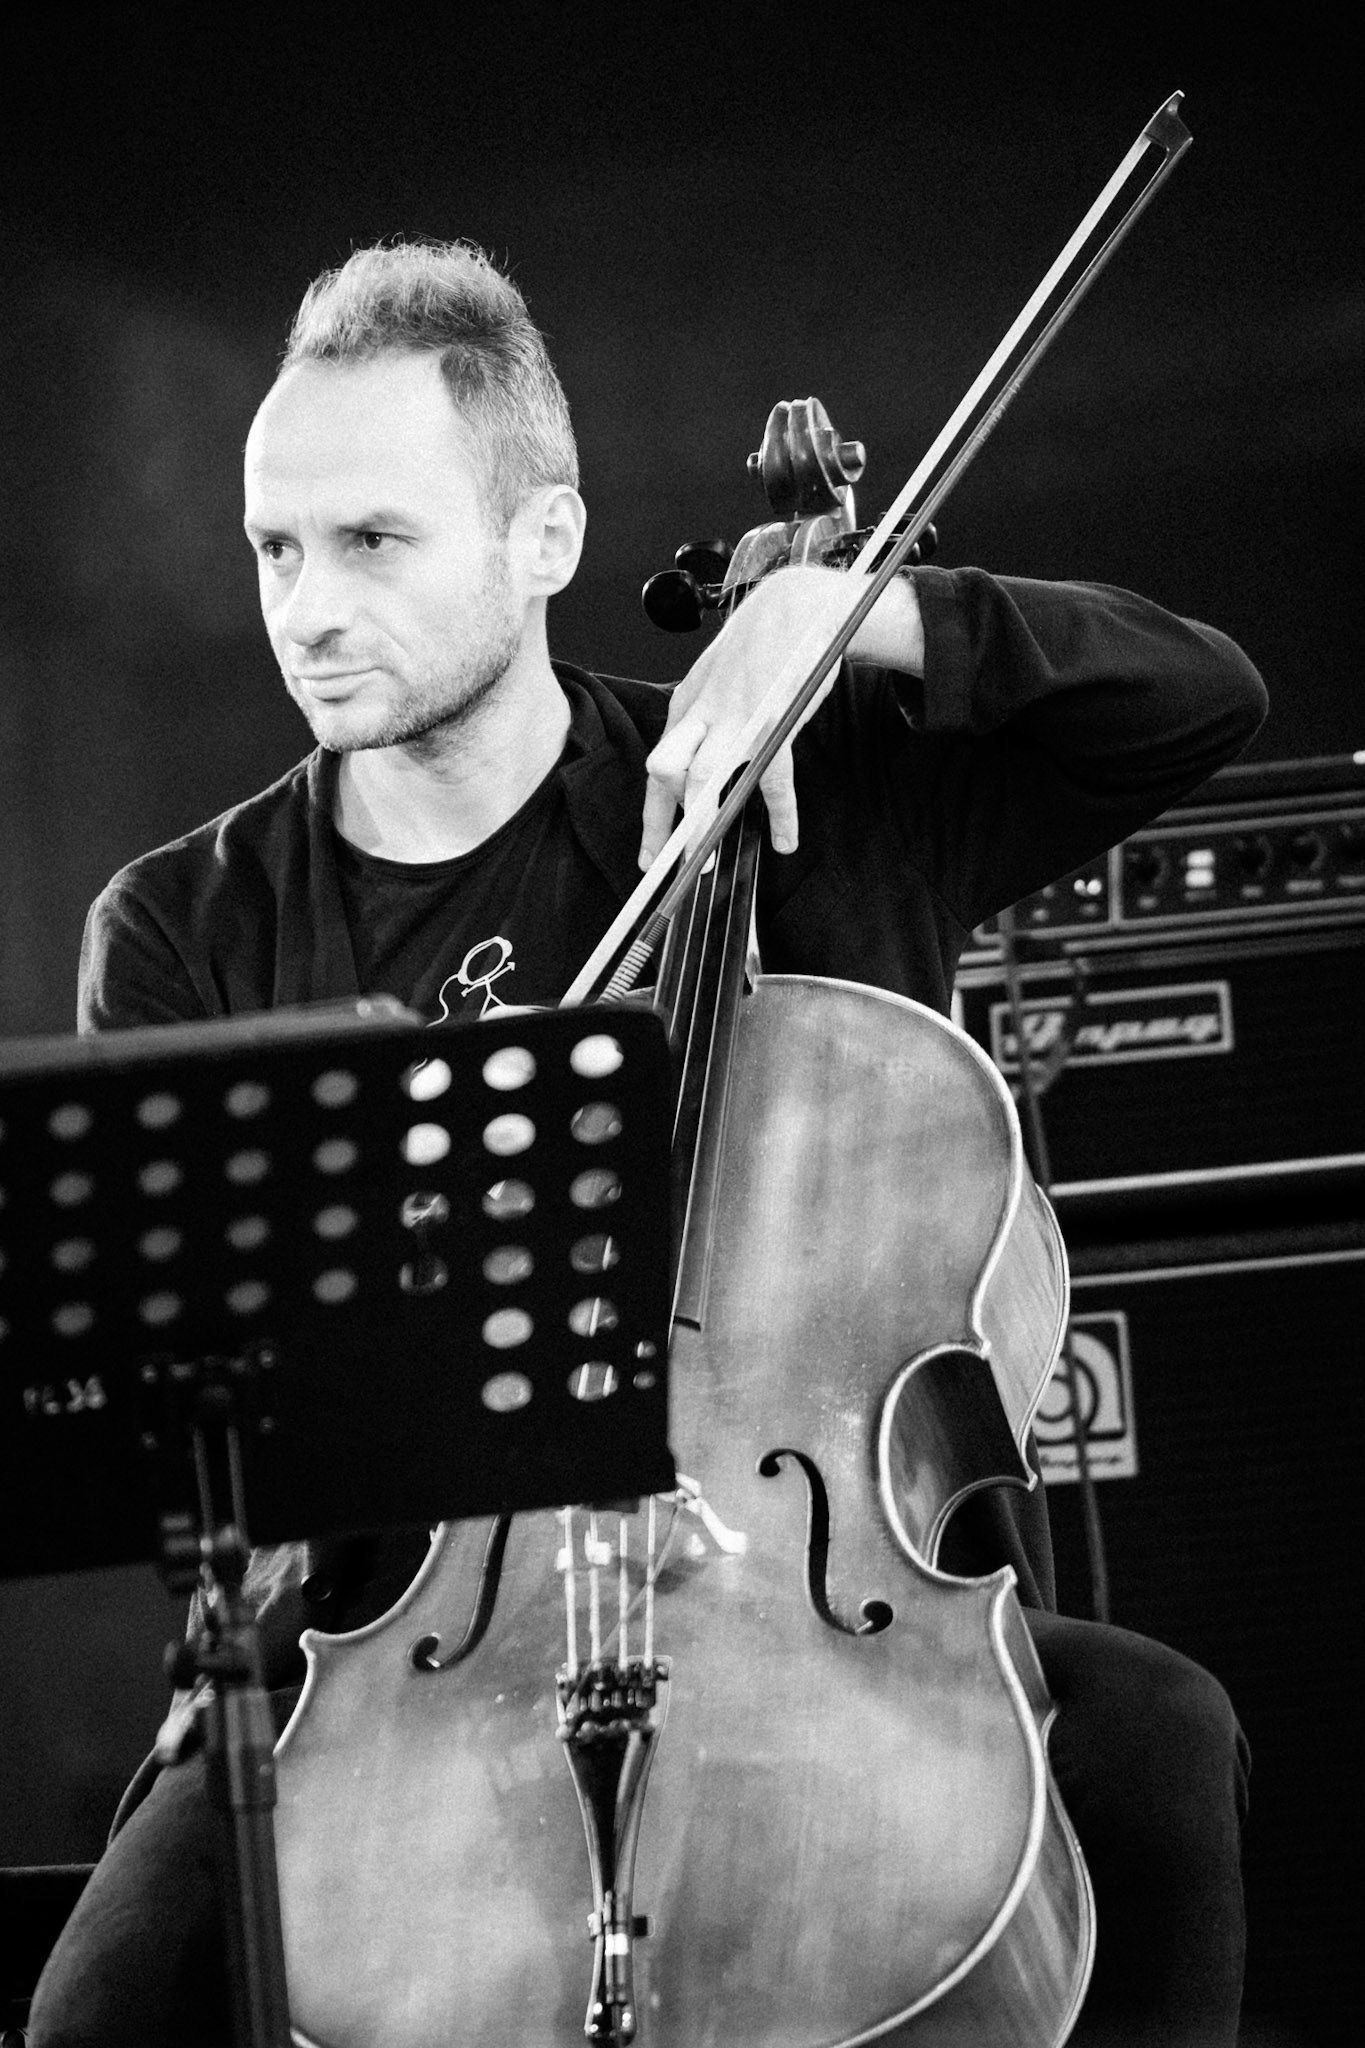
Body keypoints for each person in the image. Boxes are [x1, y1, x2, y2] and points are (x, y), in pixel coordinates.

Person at [32, 240, 1264, 2047]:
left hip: (802, 1607)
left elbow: (1201, 696)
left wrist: (848, 618)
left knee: (1162, 1743)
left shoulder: (799, 786)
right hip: (399, 1658)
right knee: (93, 2018)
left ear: (542, 541)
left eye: (372, 542)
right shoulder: (188, 928)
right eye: (276, 549)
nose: (306, 605)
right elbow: (188, 1433)